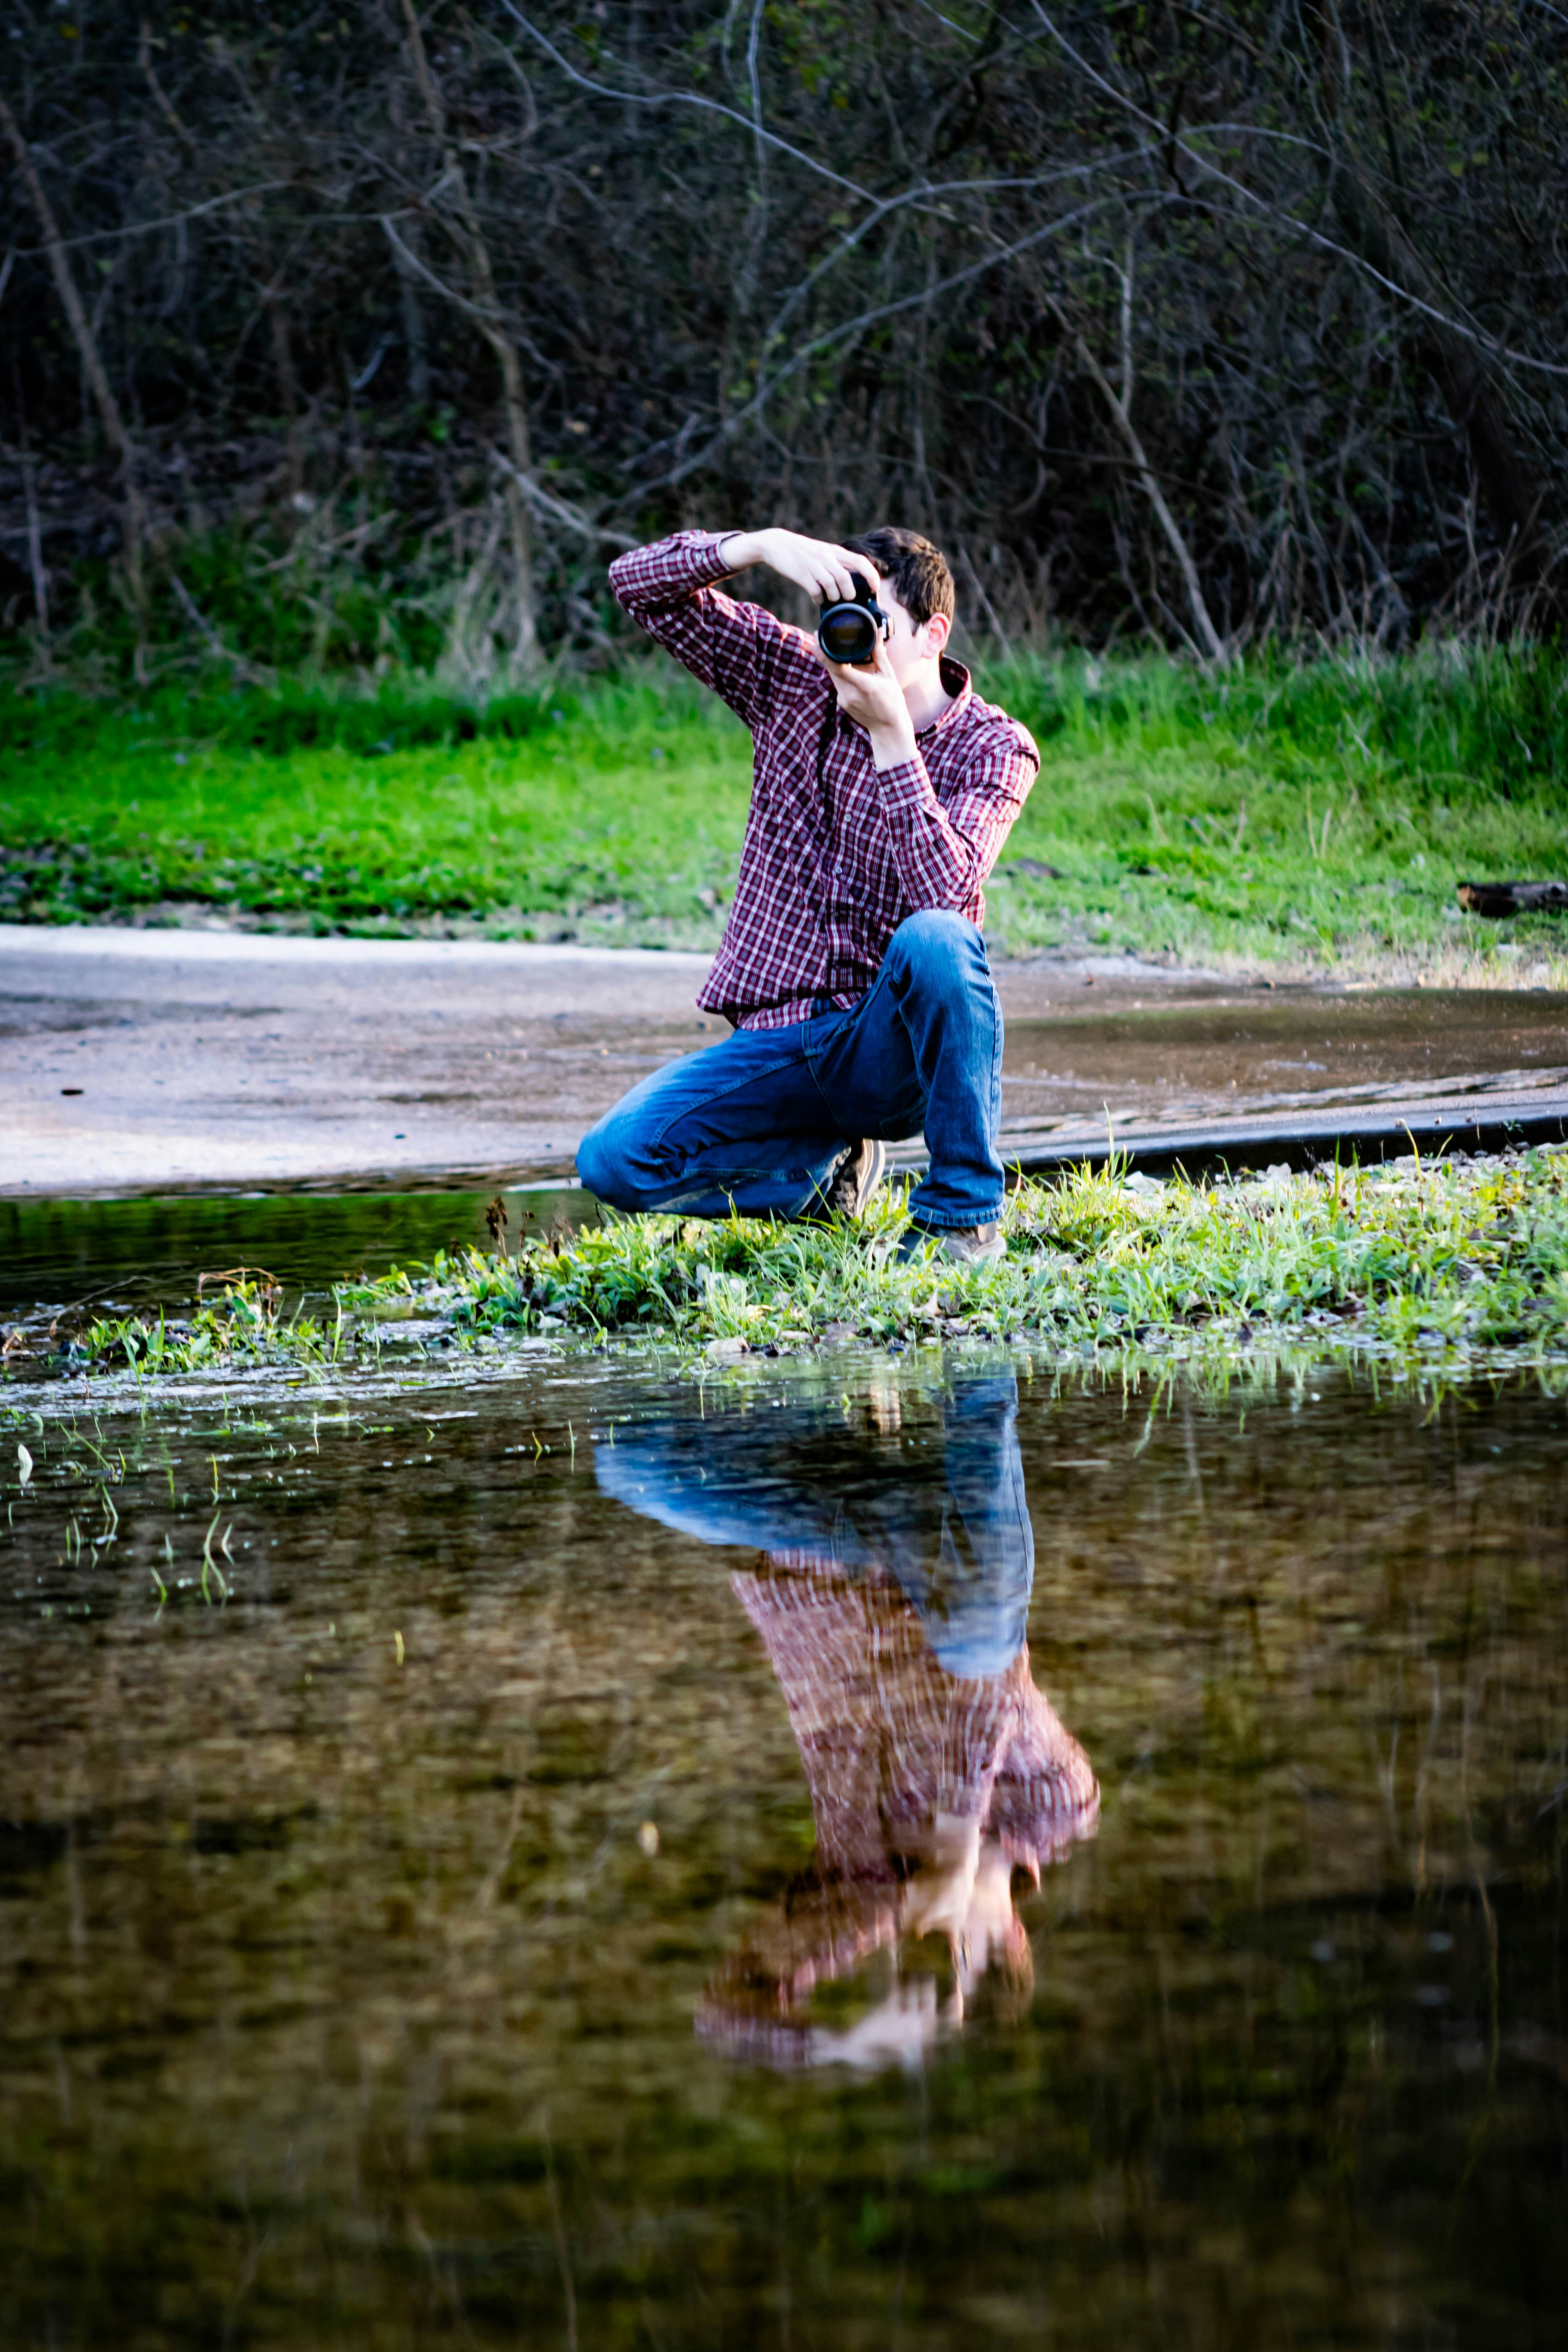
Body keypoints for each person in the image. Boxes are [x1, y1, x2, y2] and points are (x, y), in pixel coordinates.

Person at [594, 1370, 1100, 2068]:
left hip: (826, 1531)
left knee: (625, 1461)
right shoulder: (1054, 1809)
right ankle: (973, 1312)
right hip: (937, 1547)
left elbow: (724, 2011)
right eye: (966, 1956)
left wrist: (847, 2045)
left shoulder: (858, 1897)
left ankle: (810, 1380)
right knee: (982, 1641)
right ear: (1011, 1935)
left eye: (930, 1973)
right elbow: (993, 1693)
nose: (938, 1944)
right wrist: (958, 1853)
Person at [575, 526, 1040, 1263]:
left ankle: (962, 1218)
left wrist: (893, 741)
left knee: (937, 941)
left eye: (873, 617)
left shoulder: (994, 747)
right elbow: (636, 583)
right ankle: (815, 1182)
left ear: (932, 634)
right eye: (839, 610)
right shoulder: (791, 675)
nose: (850, 635)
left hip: (885, 1050)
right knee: (613, 1161)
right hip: (776, 1041)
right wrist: (758, 547)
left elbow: (948, 899)